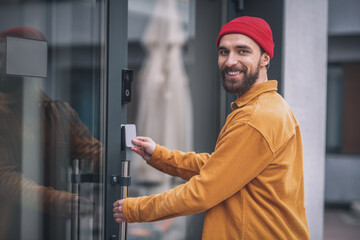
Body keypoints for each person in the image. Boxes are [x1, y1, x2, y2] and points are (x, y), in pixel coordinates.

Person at [113, 16, 310, 239]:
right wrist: (160, 156)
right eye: (224, 52)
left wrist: (134, 209)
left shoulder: (255, 118)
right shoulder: (268, 107)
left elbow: (203, 191)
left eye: (242, 51)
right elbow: (220, 167)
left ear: (265, 58)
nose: (230, 61)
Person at [0, 27, 102, 239]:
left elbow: (93, 153)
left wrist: (137, 160)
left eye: (7, 58)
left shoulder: (56, 112)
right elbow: (4, 178)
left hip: (51, 229)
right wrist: (61, 201)